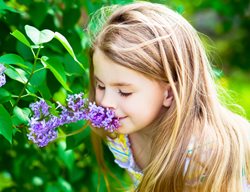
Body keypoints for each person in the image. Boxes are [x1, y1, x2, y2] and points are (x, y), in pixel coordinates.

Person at [87, 2, 250, 191]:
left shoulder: (200, 155)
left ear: (169, 93)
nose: (105, 102)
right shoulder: (121, 135)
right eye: (100, 85)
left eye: (124, 92)